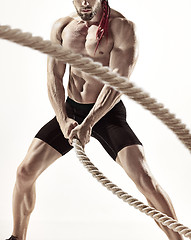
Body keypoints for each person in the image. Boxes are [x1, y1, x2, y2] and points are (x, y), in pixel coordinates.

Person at [6, 0, 183, 239]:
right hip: (70, 111)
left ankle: (178, 238)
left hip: (107, 113)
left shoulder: (121, 27)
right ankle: (17, 237)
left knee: (145, 180)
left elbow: (118, 82)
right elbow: (54, 76)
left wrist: (89, 122)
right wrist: (63, 119)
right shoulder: (63, 27)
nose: (86, 2)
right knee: (24, 172)